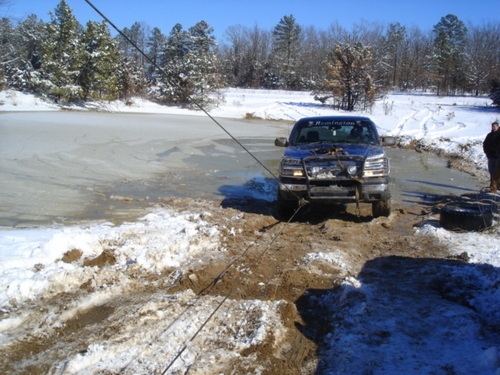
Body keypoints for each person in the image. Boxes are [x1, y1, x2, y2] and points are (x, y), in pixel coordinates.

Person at [482, 121, 500, 190]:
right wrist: (486, 152)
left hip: (498, 157)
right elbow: (485, 144)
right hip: (490, 156)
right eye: (492, 126)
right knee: (491, 171)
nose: (493, 128)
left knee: (497, 173)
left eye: (494, 126)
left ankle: (497, 187)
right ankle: (492, 186)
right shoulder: (489, 135)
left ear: (498, 127)